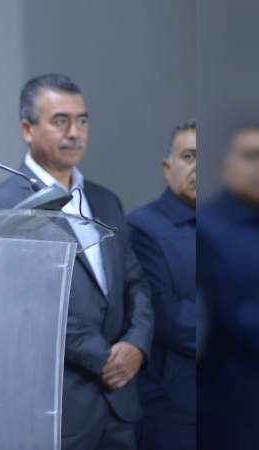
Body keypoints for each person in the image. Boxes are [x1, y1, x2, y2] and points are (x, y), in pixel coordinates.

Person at [0, 73, 153, 450]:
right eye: (61, 121)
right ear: (27, 129)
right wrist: (104, 357)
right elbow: (23, 306)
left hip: (121, 405)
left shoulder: (106, 200)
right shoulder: (0, 206)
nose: (75, 132)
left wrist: (137, 344)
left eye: (82, 120)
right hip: (58, 404)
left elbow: (135, 283)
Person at [127, 121, 196, 450]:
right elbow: (164, 314)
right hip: (174, 408)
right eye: (189, 156)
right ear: (168, 167)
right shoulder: (143, 227)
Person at [198, 125, 259, 450]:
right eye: (251, 156)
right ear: (225, 165)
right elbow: (230, 312)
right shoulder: (205, 228)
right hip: (231, 401)